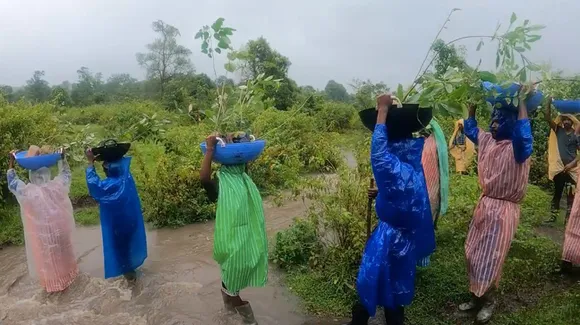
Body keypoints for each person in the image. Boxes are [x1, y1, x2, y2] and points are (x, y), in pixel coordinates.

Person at [346, 94, 435, 325]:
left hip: (390, 239)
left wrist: (382, 111)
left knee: (371, 282)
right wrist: (382, 194)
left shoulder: (397, 166)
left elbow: (379, 156)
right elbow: (405, 197)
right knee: (393, 290)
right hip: (404, 240)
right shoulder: (411, 164)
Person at [459, 88, 533, 323]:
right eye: (492, 119)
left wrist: (521, 102)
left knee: (492, 257)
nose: (493, 124)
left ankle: (488, 300)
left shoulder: (518, 149)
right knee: (472, 252)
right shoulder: (489, 141)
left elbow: (523, 136)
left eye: (499, 121)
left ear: (512, 123)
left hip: (504, 210)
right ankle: (475, 295)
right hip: (485, 204)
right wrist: (472, 105)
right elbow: (470, 128)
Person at [200, 132, 268, 325]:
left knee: (231, 287)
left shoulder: (222, 184)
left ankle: (250, 321)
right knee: (228, 285)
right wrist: (231, 143)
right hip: (246, 244)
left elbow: (204, 179)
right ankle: (229, 315)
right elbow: (241, 160)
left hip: (233, 246)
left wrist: (211, 150)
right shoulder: (246, 181)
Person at [7, 147, 78, 293]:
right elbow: (66, 173)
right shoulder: (57, 186)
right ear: (47, 172)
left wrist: (12, 161)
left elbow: (12, 182)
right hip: (61, 230)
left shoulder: (28, 192)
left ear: (32, 175)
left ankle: (55, 290)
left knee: (50, 263)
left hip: (45, 237)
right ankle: (70, 283)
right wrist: (62, 158)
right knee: (65, 257)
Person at [85, 148, 147, 282]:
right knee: (127, 251)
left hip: (118, 227)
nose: (104, 168)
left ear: (108, 168)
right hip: (131, 222)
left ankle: (132, 286)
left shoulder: (109, 185)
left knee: (122, 256)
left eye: (105, 166)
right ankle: (132, 278)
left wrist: (90, 163)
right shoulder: (126, 178)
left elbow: (94, 185)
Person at [545, 97, 580, 224]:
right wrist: (548, 102)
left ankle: (568, 221)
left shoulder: (576, 135)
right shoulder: (557, 130)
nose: (566, 121)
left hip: (572, 170)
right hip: (560, 170)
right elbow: (548, 117)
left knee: (571, 196)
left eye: (568, 120)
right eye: (564, 119)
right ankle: (553, 217)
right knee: (557, 194)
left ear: (572, 122)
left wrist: (571, 164)